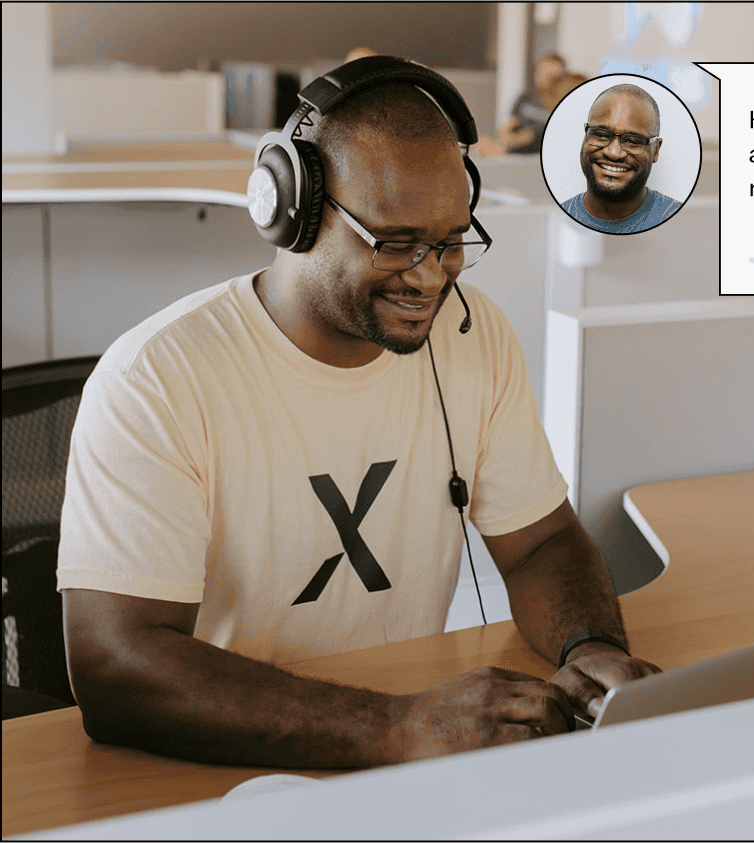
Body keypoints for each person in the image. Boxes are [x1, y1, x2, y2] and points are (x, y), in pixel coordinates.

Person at [57, 61, 661, 770]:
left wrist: (589, 647)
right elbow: (114, 664)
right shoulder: (157, 378)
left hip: (397, 758)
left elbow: (539, 544)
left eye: (450, 241)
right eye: (395, 243)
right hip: (219, 765)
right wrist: (399, 726)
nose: (432, 275)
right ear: (293, 211)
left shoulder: (471, 334)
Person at [561, 84, 683, 234]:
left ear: (656, 150)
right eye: (601, 134)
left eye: (633, 141)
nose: (613, 153)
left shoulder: (682, 224)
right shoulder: (555, 219)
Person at [497, 52, 566, 154]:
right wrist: (507, 141)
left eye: (550, 75)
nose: (544, 78)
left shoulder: (561, 105)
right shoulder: (526, 97)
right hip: (515, 155)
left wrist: (524, 137)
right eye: (541, 73)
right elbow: (506, 128)